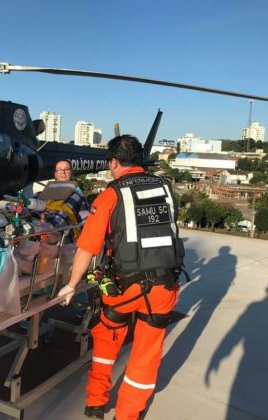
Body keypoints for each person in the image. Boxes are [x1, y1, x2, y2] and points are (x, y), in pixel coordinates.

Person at [58, 135, 181, 419]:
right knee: (146, 356)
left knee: (106, 339)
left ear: (114, 162)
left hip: (123, 287)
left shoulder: (111, 195)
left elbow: (87, 248)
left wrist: (71, 285)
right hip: (163, 286)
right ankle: (128, 414)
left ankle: (96, 402)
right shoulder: (166, 188)